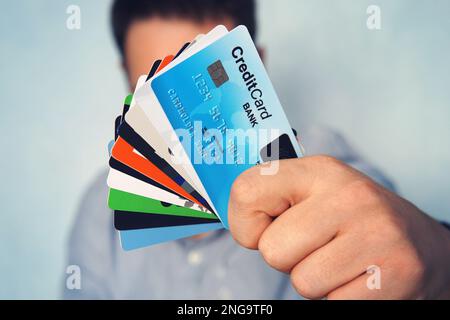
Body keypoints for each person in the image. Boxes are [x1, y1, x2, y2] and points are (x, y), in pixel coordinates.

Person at [63, 0, 450, 299]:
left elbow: (400, 258)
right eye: (154, 90)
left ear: (253, 63)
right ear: (128, 80)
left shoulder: (326, 161)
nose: (184, 124)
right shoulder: (101, 209)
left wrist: (439, 262)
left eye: (196, 78)